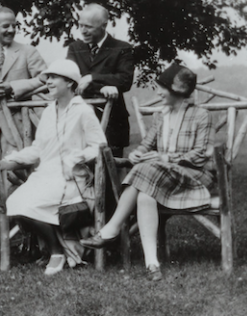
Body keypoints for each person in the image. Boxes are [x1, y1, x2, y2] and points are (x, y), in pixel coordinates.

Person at [80, 63, 212, 282]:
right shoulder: (162, 116)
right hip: (160, 178)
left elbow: (200, 155)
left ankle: (110, 229)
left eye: (162, 88)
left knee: (147, 169)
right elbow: (146, 145)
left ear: (177, 91)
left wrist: (165, 158)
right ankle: (152, 263)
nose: (158, 92)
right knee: (144, 193)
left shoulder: (201, 115)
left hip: (193, 176)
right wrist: (136, 155)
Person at [0, 60, 107, 275]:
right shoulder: (49, 111)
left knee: (30, 205)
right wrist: (15, 158)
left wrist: (78, 156)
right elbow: (39, 149)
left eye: (53, 78)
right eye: (46, 78)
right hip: (45, 174)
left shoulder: (83, 111)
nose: (47, 82)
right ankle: (56, 248)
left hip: (72, 178)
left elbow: (99, 147)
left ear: (69, 82)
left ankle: (57, 252)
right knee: (15, 203)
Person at [0, 6, 49, 158]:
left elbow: (46, 80)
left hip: (19, 129)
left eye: (14, 26)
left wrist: (12, 87)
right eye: (5, 26)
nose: (11, 30)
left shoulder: (28, 52)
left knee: (17, 177)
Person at [66, 3, 135, 158]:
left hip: (112, 123)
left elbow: (125, 80)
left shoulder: (122, 48)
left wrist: (93, 78)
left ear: (104, 26)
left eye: (89, 27)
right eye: (80, 25)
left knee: (111, 172)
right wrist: (107, 84)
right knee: (79, 170)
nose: (83, 31)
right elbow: (70, 80)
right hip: (80, 121)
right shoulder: (75, 48)